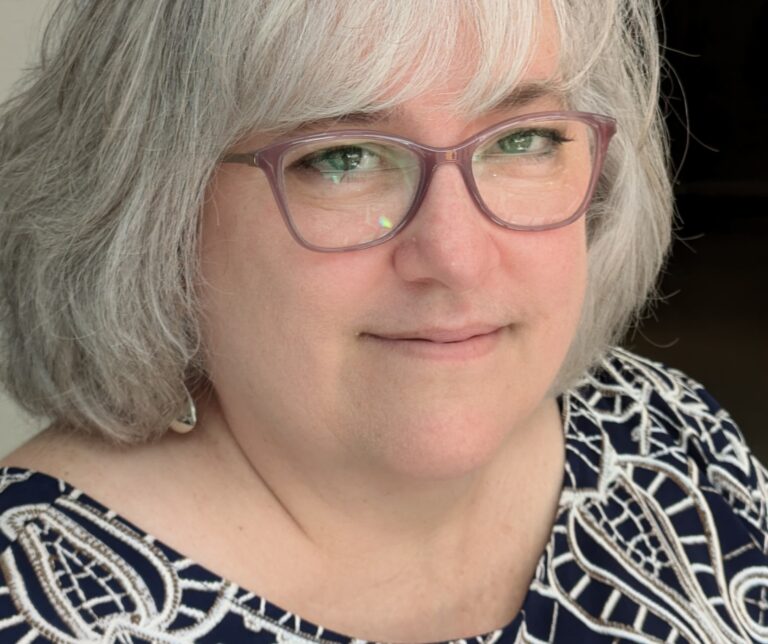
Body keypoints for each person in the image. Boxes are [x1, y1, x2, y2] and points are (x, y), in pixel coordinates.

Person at [0, 1, 765, 642]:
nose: (456, 257)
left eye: (523, 141)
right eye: (342, 157)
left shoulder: (667, 434)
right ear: (154, 209)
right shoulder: (29, 601)